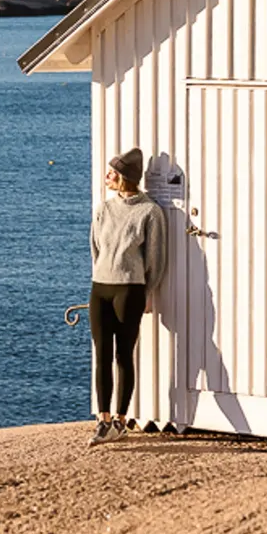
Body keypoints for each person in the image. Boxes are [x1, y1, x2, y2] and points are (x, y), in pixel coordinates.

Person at [87, 147, 167, 444]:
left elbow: (155, 260)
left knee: (123, 355)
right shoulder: (104, 209)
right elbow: (95, 247)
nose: (106, 176)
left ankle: (121, 420)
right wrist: (103, 271)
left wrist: (147, 291)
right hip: (100, 288)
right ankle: (102, 419)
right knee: (101, 356)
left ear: (123, 178)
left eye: (112, 173)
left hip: (130, 290)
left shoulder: (150, 212)